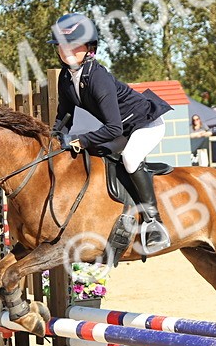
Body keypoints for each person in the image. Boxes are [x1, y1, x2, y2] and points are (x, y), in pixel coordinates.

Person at [48, 13, 174, 253]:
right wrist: (52, 140)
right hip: (121, 128)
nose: (66, 51)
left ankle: (154, 222)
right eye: (61, 46)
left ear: (90, 48)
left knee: (130, 158)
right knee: (97, 156)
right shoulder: (65, 77)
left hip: (145, 123)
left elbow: (113, 128)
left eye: (73, 46)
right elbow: (64, 117)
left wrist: (81, 140)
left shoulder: (98, 77)